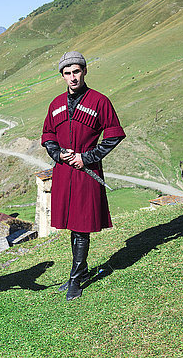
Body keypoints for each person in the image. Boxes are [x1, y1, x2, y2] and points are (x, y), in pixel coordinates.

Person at [41, 51, 125, 300]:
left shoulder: (100, 101)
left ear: (84, 71)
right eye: (67, 73)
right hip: (64, 172)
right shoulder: (55, 104)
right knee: (72, 227)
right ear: (62, 76)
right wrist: (57, 154)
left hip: (86, 172)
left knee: (81, 228)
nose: (72, 77)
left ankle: (75, 280)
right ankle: (82, 272)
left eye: (76, 71)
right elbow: (47, 135)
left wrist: (86, 157)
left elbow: (114, 135)